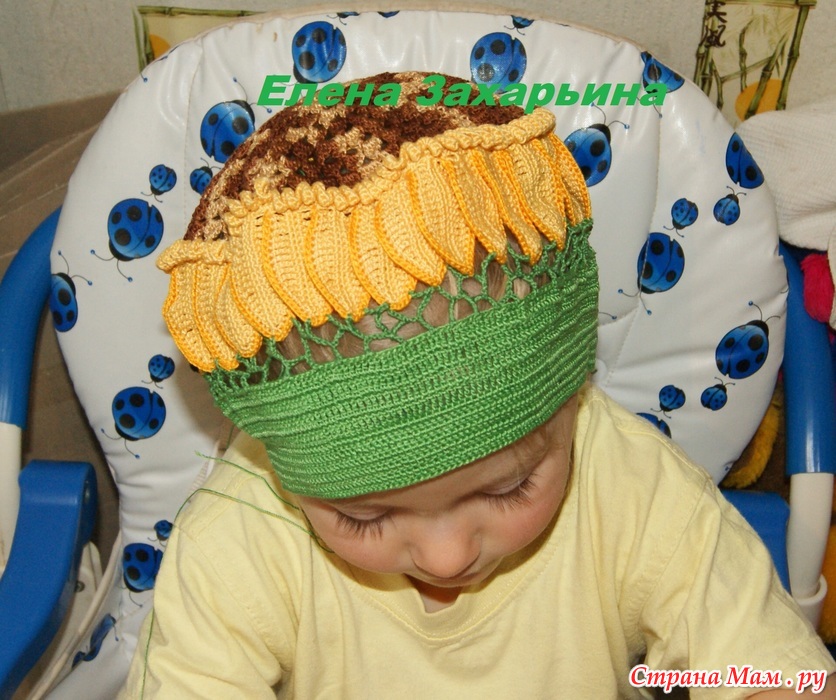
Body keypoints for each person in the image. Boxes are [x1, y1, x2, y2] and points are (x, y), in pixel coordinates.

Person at [121, 71, 836, 698]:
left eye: (508, 489)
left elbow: (766, 672)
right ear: (285, 470)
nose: (447, 556)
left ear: (570, 395)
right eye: (363, 519)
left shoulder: (631, 488)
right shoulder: (239, 541)